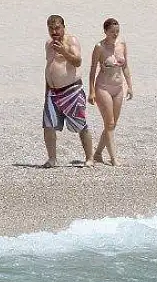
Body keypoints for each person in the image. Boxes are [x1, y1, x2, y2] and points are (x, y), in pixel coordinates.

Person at [43, 15, 94, 168]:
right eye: (51, 28)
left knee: (80, 125)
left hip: (71, 90)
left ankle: (89, 158)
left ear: (63, 27)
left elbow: (78, 61)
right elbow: (49, 67)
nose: (54, 31)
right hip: (53, 92)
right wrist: (46, 92)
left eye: (57, 28)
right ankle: (52, 159)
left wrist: (63, 51)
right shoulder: (48, 44)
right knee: (48, 125)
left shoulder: (71, 41)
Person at [88, 18, 134, 166]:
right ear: (105, 31)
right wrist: (91, 91)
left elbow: (125, 66)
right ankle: (114, 158)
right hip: (103, 87)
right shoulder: (99, 47)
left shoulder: (122, 44)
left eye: (117, 32)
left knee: (112, 124)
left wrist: (130, 86)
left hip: (118, 87)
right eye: (112, 32)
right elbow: (93, 69)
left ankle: (98, 154)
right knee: (109, 122)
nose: (115, 34)